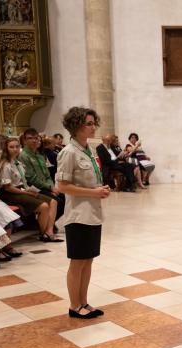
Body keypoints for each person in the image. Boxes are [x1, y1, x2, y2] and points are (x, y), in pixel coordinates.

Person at [56, 106, 110, 319]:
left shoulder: (88, 150)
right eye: (88, 123)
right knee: (77, 262)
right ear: (76, 126)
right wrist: (93, 192)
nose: (93, 127)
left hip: (92, 213)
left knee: (88, 260)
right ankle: (74, 305)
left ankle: (84, 302)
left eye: (94, 122)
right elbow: (63, 186)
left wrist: (99, 190)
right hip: (78, 215)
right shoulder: (68, 152)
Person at [0, 138, 60, 242]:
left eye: (17, 146)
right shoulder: (5, 165)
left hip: (23, 188)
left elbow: (23, 180)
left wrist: (29, 190)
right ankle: (43, 233)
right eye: (11, 147)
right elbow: (7, 187)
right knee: (44, 206)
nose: (15, 149)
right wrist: (26, 192)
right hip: (10, 193)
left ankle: (49, 231)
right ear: (6, 149)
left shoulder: (17, 162)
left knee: (53, 201)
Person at [18, 128, 65, 219]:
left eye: (36, 138)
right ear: (25, 140)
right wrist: (50, 188)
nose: (34, 140)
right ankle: (45, 224)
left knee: (64, 198)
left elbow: (47, 174)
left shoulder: (40, 156)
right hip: (33, 187)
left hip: (45, 186)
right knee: (58, 201)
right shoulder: (23, 156)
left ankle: (48, 222)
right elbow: (31, 178)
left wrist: (52, 187)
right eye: (30, 138)